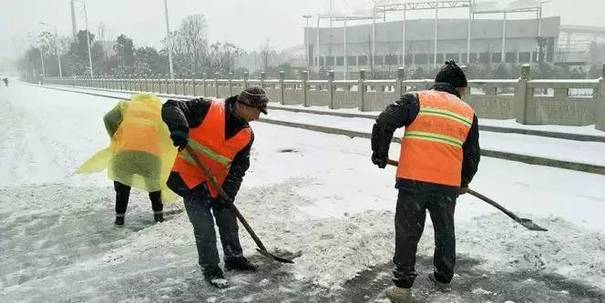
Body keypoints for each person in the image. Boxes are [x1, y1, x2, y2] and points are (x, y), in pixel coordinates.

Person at [371, 60, 480, 303]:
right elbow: (472, 155)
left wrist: (380, 153)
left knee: (408, 232)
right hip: (446, 186)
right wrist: (463, 181)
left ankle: (402, 288)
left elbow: (384, 122)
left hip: (414, 181)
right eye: (464, 91)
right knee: (445, 230)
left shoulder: (416, 100)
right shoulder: (467, 112)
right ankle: (443, 276)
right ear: (458, 88)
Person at [162, 86, 268, 288]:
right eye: (257, 111)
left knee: (228, 219)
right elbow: (171, 106)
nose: (258, 117)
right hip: (190, 179)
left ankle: (234, 258)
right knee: (204, 227)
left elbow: (239, 167)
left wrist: (229, 192)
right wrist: (179, 128)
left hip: (217, 184)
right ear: (245, 105)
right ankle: (211, 269)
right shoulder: (206, 107)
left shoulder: (247, 134)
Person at [76, 94, 177, 225]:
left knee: (122, 187)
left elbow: (108, 118)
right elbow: (168, 131)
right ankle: (158, 217)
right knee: (154, 187)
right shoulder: (159, 110)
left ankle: (119, 219)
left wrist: (116, 135)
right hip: (150, 155)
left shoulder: (126, 106)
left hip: (124, 153)